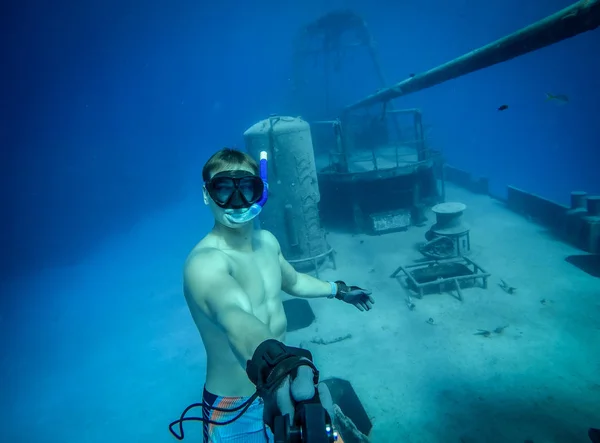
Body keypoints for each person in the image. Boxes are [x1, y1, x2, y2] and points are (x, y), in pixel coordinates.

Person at [182, 148, 374, 442]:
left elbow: (293, 281)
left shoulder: (267, 242)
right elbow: (234, 316)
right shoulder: (204, 264)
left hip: (277, 390)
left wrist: (338, 290)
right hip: (235, 408)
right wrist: (281, 367)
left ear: (261, 192)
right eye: (223, 189)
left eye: (246, 188)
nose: (236, 202)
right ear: (207, 195)